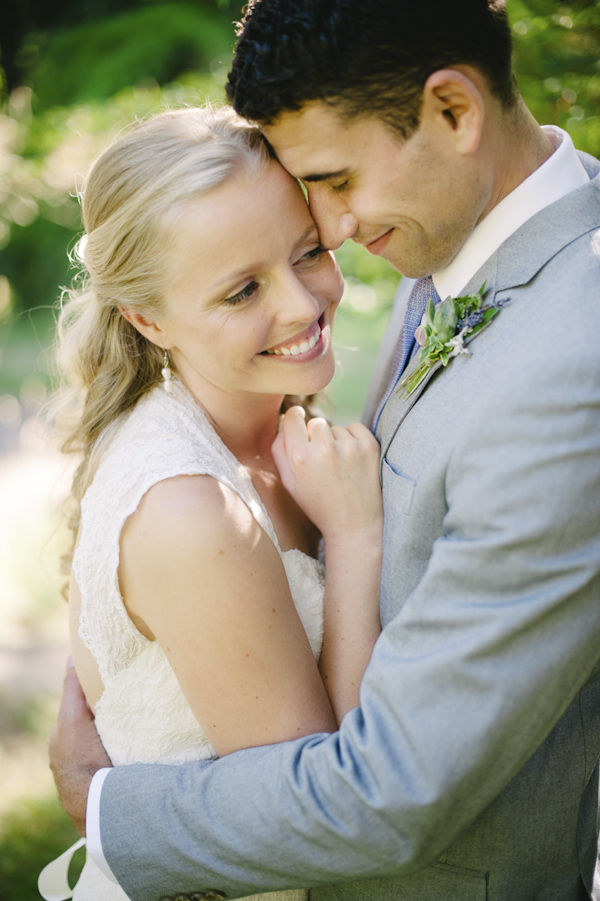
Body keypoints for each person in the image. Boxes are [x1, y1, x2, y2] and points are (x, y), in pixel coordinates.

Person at [49, 1, 600, 899]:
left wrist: (104, 805)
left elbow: (380, 792)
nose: (335, 234)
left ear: (454, 111)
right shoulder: (453, 251)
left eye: (335, 185)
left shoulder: (572, 362)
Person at [41, 104, 383, 901]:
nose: (302, 306)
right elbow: (320, 816)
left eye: (309, 253)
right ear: (147, 317)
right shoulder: (191, 510)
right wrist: (356, 539)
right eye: (242, 291)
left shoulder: (273, 427)